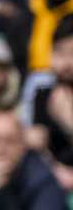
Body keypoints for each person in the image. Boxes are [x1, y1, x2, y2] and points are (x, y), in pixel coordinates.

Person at [22, 17, 73, 187]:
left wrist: (69, 123)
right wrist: (55, 171)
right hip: (52, 180)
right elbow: (37, 145)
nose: (66, 63)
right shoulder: (42, 95)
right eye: (60, 53)